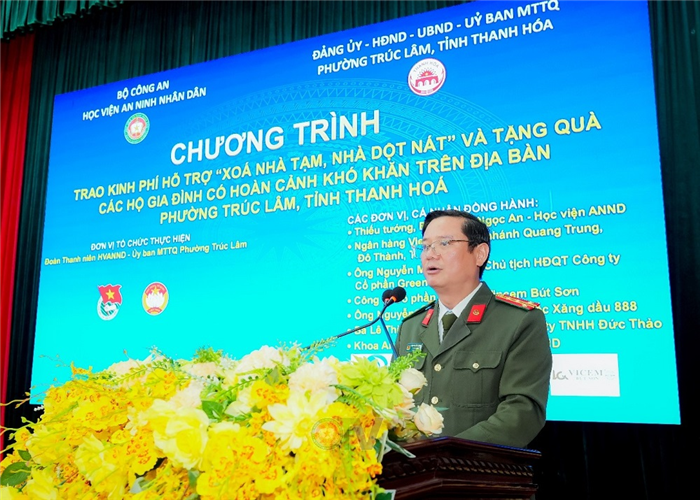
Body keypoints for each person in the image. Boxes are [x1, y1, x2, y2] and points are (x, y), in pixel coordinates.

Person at [396, 209, 552, 448]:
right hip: (414, 468)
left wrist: (448, 454)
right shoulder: (411, 327)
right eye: (425, 246)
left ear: (480, 254)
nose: (430, 255)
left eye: (444, 243)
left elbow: (523, 412)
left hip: (478, 468)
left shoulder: (518, 321)